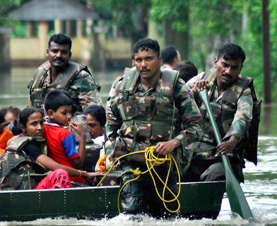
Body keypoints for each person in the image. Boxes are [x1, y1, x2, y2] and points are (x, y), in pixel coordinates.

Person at [106, 38, 203, 215]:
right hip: (131, 160)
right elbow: (111, 125)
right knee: (132, 211)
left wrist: (173, 143)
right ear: (133, 61)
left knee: (165, 215)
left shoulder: (176, 87)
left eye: (148, 59)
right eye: (139, 60)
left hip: (164, 162)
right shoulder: (121, 87)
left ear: (159, 60)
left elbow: (196, 127)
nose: (143, 64)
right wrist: (112, 150)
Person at [185, 43, 259, 183]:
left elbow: (242, 117)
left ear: (240, 68)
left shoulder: (244, 91)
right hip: (193, 154)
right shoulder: (200, 79)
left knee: (214, 175)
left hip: (222, 157)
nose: (228, 71)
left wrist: (232, 140)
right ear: (216, 62)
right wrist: (193, 93)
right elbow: (175, 101)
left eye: (234, 68)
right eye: (224, 65)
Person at [0, 108, 101, 190]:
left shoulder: (23, 139)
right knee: (60, 174)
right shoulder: (28, 145)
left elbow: (10, 141)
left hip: (28, 186)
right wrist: (83, 173)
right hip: (22, 191)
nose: (39, 127)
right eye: (34, 124)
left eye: (41, 123)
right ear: (23, 128)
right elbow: (55, 166)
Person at [27, 33, 102, 113]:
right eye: (54, 51)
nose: (59, 55)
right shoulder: (40, 76)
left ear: (69, 55)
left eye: (63, 52)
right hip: (43, 124)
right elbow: (29, 112)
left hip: (70, 124)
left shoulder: (82, 77)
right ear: (47, 52)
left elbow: (95, 115)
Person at [43, 90, 88, 183]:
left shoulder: (42, 128)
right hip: (71, 179)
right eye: (64, 113)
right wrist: (82, 135)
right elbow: (78, 164)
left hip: (50, 178)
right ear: (51, 114)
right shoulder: (65, 134)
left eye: (70, 112)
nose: (69, 116)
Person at [83, 104, 107, 172]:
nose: (88, 129)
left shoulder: (106, 142)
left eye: (92, 125)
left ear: (102, 126)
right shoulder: (80, 140)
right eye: (86, 125)